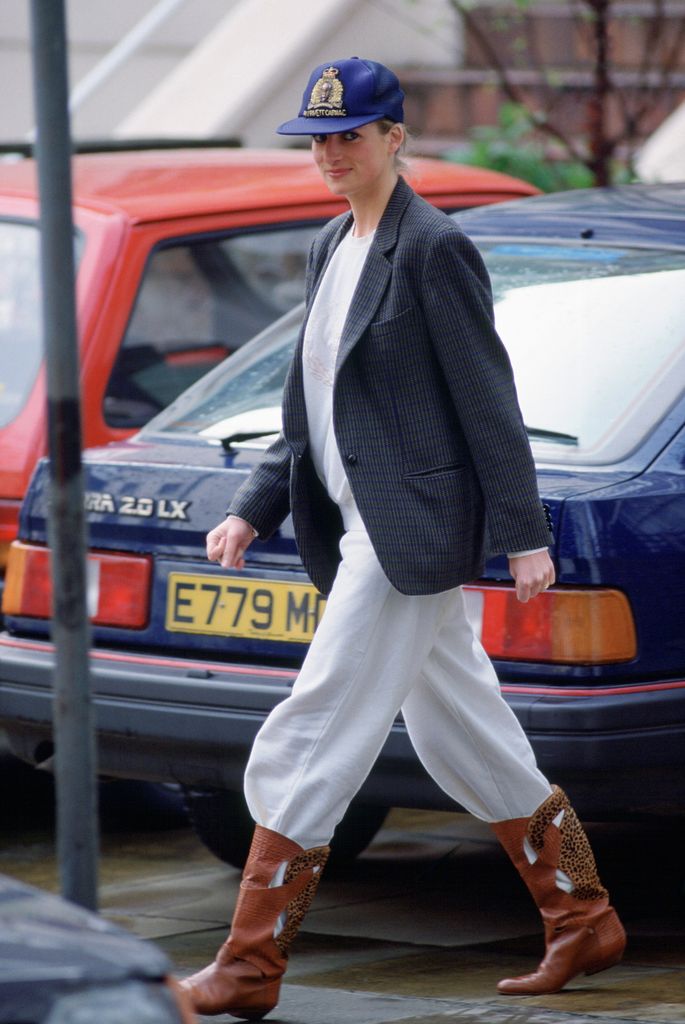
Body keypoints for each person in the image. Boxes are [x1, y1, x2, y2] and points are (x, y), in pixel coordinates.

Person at [179, 57, 625, 1019]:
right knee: (460, 730)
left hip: (409, 535)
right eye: (320, 138)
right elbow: (308, 402)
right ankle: (581, 916)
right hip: (354, 526)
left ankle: (250, 965)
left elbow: (488, 399)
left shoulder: (433, 248)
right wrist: (255, 505)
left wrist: (522, 533)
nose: (333, 153)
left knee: (317, 721)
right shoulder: (330, 243)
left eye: (352, 135)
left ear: (395, 137)